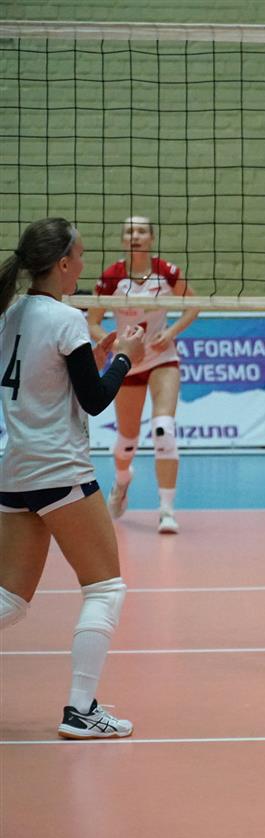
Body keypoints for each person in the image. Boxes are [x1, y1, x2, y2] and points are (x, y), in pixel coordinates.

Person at [0, 217, 146, 738]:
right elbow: (96, 398)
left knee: (10, 599)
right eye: (80, 256)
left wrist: (97, 356)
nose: (84, 265)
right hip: (60, 470)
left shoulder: (9, 313)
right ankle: (82, 711)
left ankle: (84, 710)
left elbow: (48, 377)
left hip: (15, 469)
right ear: (63, 263)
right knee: (105, 588)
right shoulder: (66, 319)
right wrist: (126, 356)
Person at [87, 216, 200, 534]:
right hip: (129, 362)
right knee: (127, 441)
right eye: (129, 231)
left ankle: (166, 510)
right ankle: (122, 481)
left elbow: (194, 305)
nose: (134, 235)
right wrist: (114, 345)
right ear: (123, 239)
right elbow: (92, 321)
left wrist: (171, 332)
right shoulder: (112, 277)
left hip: (162, 358)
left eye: (140, 231)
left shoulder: (166, 271)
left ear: (151, 238)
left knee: (164, 429)